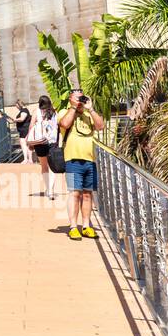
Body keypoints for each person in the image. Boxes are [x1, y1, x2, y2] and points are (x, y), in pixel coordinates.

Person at [58, 89, 105, 240]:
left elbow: (100, 126)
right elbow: (64, 124)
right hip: (72, 160)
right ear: (70, 99)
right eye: (77, 98)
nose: (80, 101)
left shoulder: (88, 114)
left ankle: (86, 226)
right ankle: (73, 226)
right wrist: (73, 108)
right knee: (74, 193)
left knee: (87, 194)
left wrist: (90, 109)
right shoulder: (64, 112)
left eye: (82, 98)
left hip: (90, 160)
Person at [27, 95, 59, 199]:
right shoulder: (54, 112)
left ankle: (48, 189)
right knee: (52, 167)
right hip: (52, 142)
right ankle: (51, 190)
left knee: (44, 166)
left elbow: (31, 126)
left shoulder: (36, 112)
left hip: (40, 142)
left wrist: (30, 141)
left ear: (39, 103)